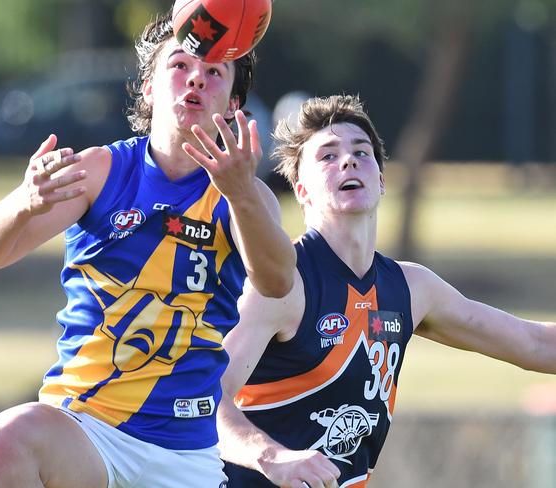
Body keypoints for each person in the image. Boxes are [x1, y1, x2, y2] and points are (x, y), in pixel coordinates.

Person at [0, 10, 296, 488]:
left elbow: (278, 280)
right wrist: (23, 203)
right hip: (86, 427)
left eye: (215, 72)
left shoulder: (246, 197)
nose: (196, 78)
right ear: (149, 88)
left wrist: (241, 191)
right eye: (179, 65)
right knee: (8, 437)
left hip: (183, 452)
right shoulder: (100, 171)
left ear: (233, 104)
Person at [217, 94, 556, 488]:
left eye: (362, 151)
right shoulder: (283, 284)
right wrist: (272, 456)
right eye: (327, 156)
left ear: (380, 180)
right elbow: (205, 397)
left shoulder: (412, 289)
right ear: (302, 190)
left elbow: (535, 343)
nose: (348, 160)